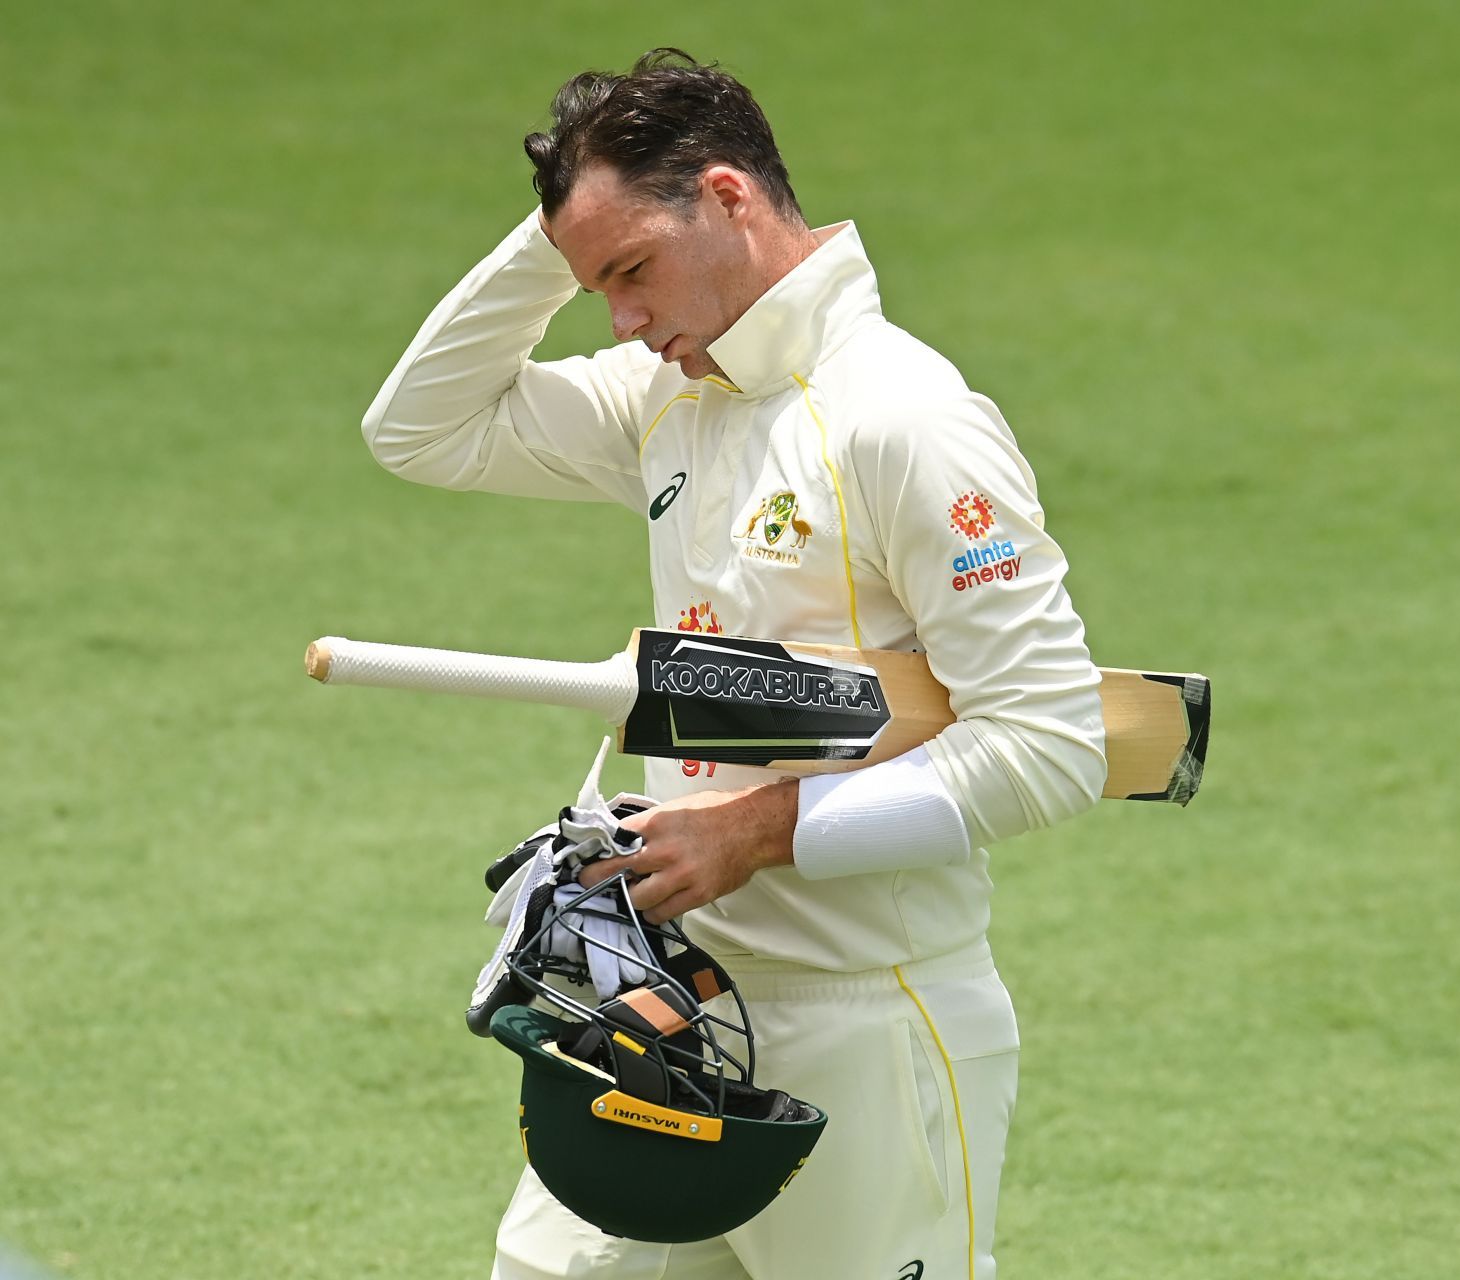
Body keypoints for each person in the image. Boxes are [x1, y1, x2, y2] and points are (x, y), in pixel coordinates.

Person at [362, 49, 1107, 1279]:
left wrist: (761, 830)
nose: (625, 321)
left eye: (634, 272)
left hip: (869, 1026)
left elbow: (1054, 744)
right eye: (596, 286)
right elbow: (419, 427)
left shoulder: (903, 420)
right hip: (668, 999)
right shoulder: (667, 396)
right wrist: (575, 220)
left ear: (728, 196)